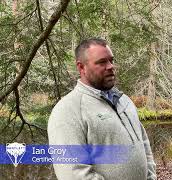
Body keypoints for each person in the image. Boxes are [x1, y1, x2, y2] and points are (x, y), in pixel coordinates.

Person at [48, 38, 156, 180]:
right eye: (102, 62)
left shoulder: (124, 101)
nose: (110, 66)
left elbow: (144, 145)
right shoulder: (67, 111)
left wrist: (151, 176)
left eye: (111, 60)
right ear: (81, 67)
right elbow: (73, 173)